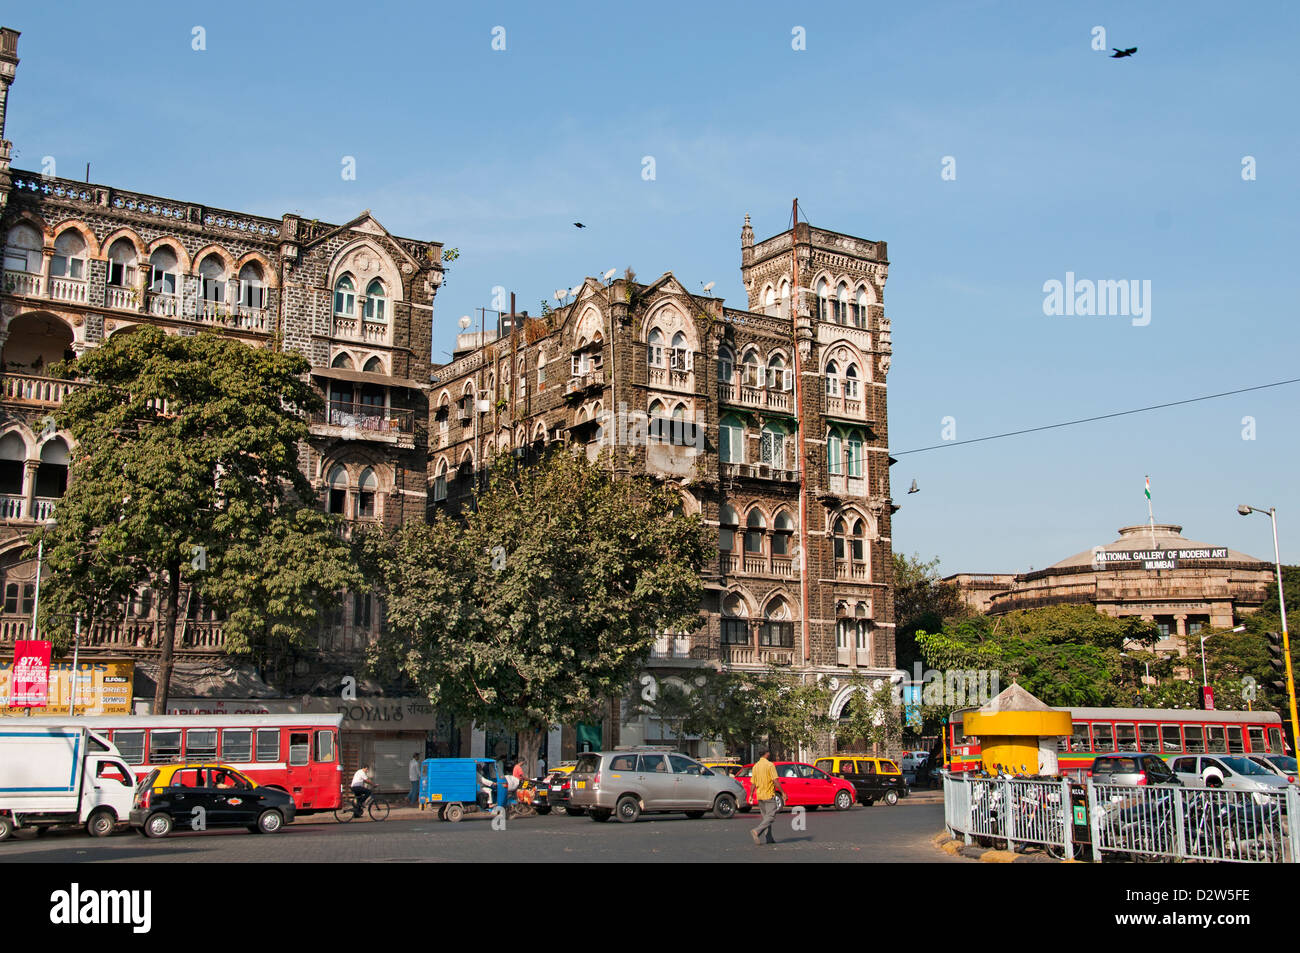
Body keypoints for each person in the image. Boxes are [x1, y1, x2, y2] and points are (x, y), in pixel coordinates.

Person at [749, 748, 785, 846]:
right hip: (769, 795)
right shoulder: (770, 765)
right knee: (771, 816)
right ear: (767, 754)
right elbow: (775, 780)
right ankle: (757, 831)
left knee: (766, 818)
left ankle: (769, 838)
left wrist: (751, 795)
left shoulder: (755, 766)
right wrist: (782, 792)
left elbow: (753, 783)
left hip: (760, 795)